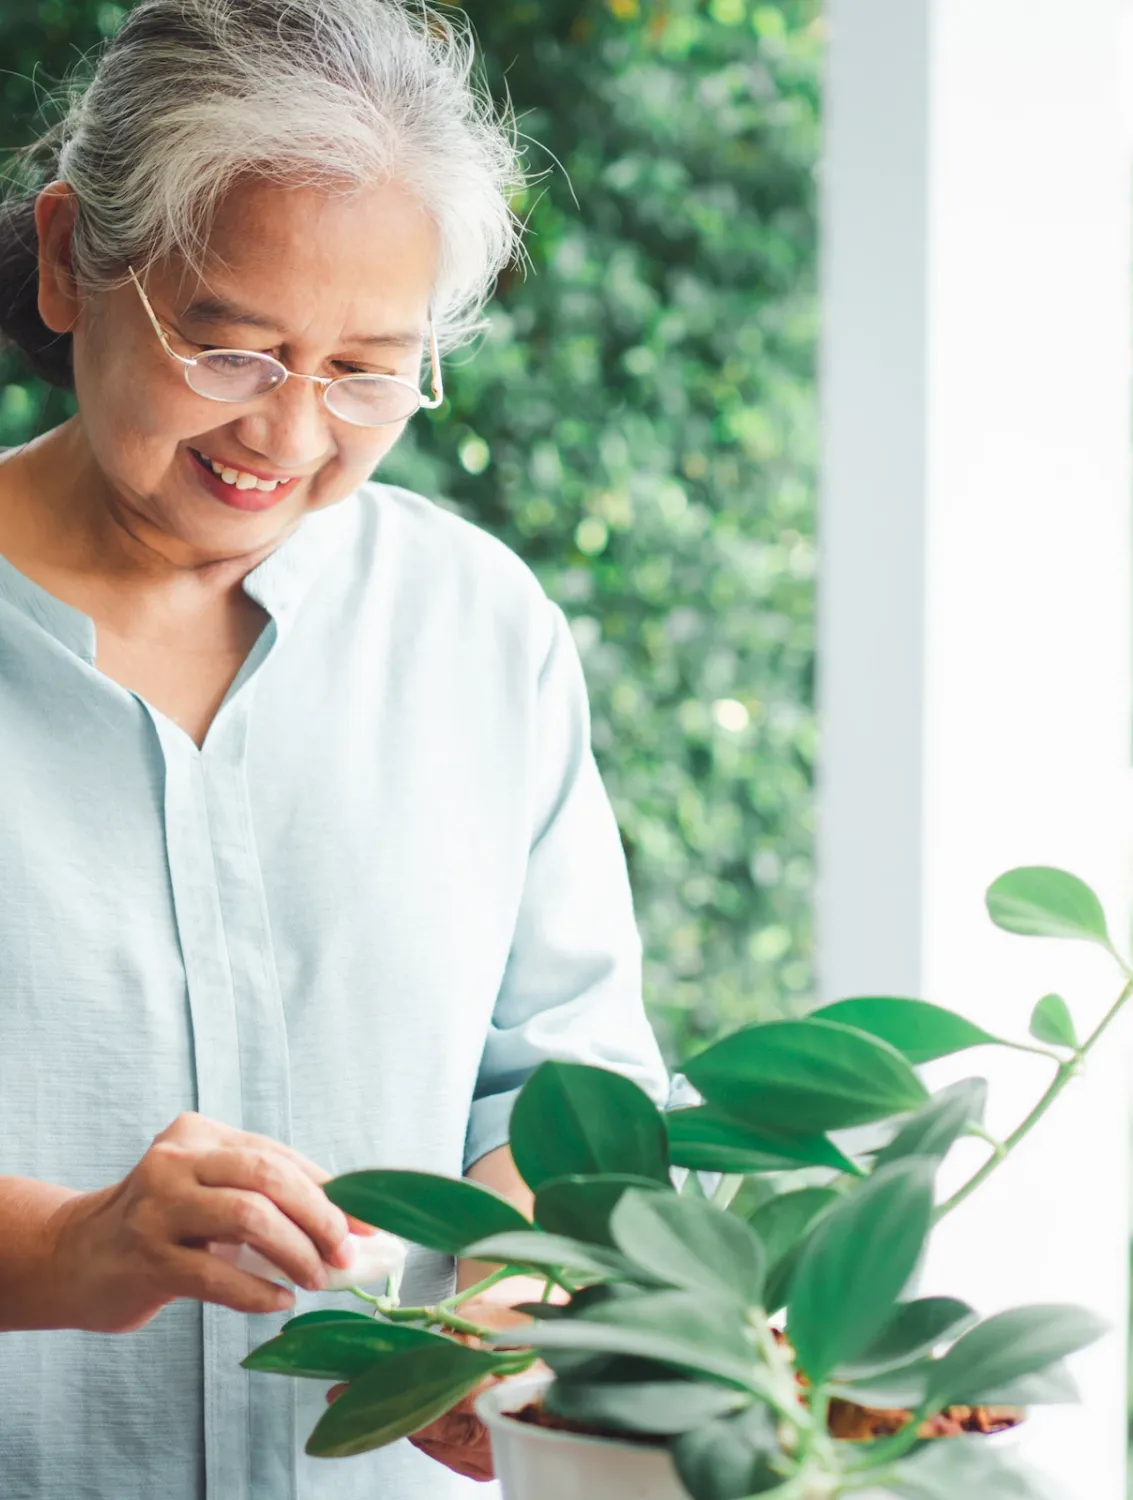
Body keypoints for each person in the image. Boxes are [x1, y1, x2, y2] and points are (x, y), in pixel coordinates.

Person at [0, 2, 669, 1496]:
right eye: (232, 350)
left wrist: (509, 1301)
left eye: (370, 370)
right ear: (66, 260)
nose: (292, 437)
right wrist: (67, 1247)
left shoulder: (477, 628)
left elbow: (568, 1084)